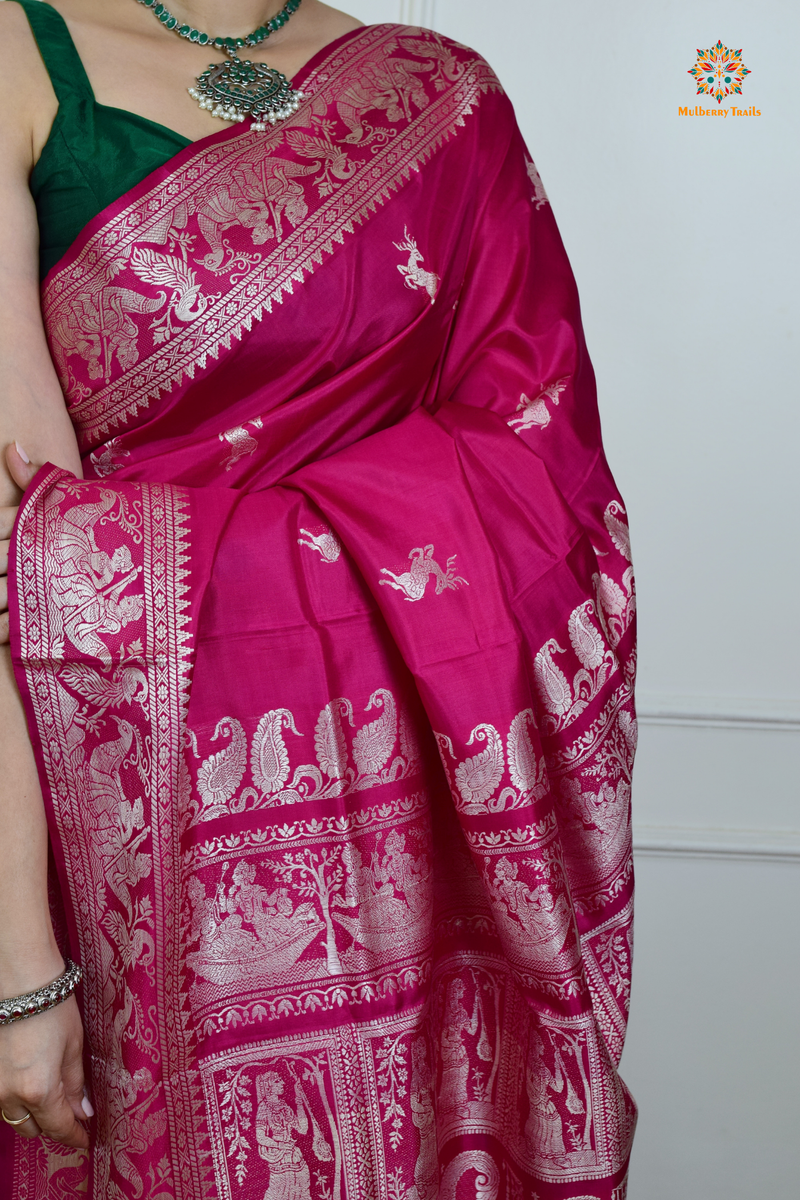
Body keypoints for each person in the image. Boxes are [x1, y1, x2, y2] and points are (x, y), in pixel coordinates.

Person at [0, 1, 638, 1196]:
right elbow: (13, 575)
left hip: (417, 867)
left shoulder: (440, 92)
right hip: (104, 847)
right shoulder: (16, 58)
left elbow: (543, 468)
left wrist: (109, 550)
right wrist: (20, 969)